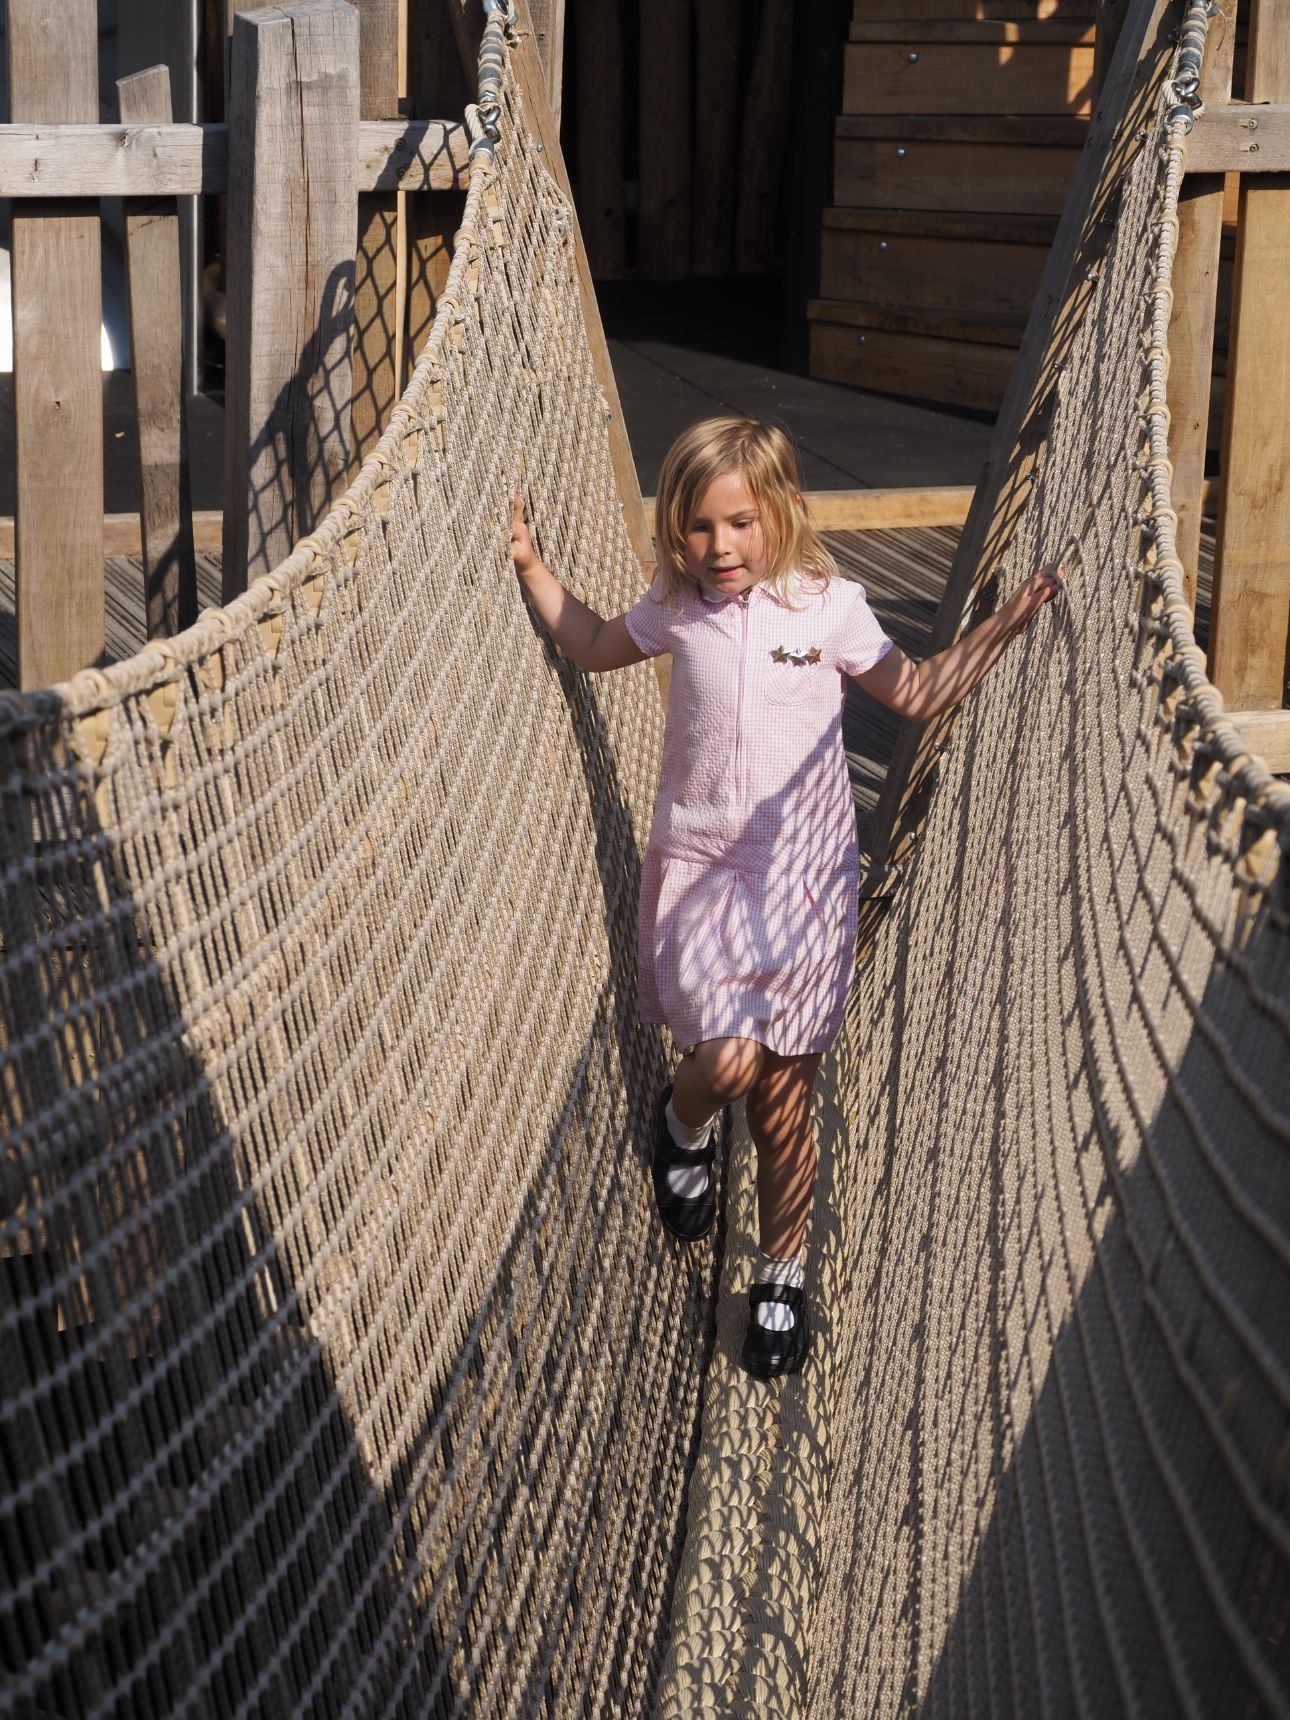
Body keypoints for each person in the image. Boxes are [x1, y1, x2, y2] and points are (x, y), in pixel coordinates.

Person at [511, 415, 1062, 1380]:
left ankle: (782, 1273)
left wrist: (1007, 620)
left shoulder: (831, 608)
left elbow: (921, 692)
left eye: (738, 524)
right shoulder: (679, 607)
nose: (719, 548)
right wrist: (530, 568)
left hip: (804, 881)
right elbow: (594, 642)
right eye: (697, 529)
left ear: (780, 512)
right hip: (705, 874)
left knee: (781, 1101)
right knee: (723, 1064)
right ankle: (679, 1123)